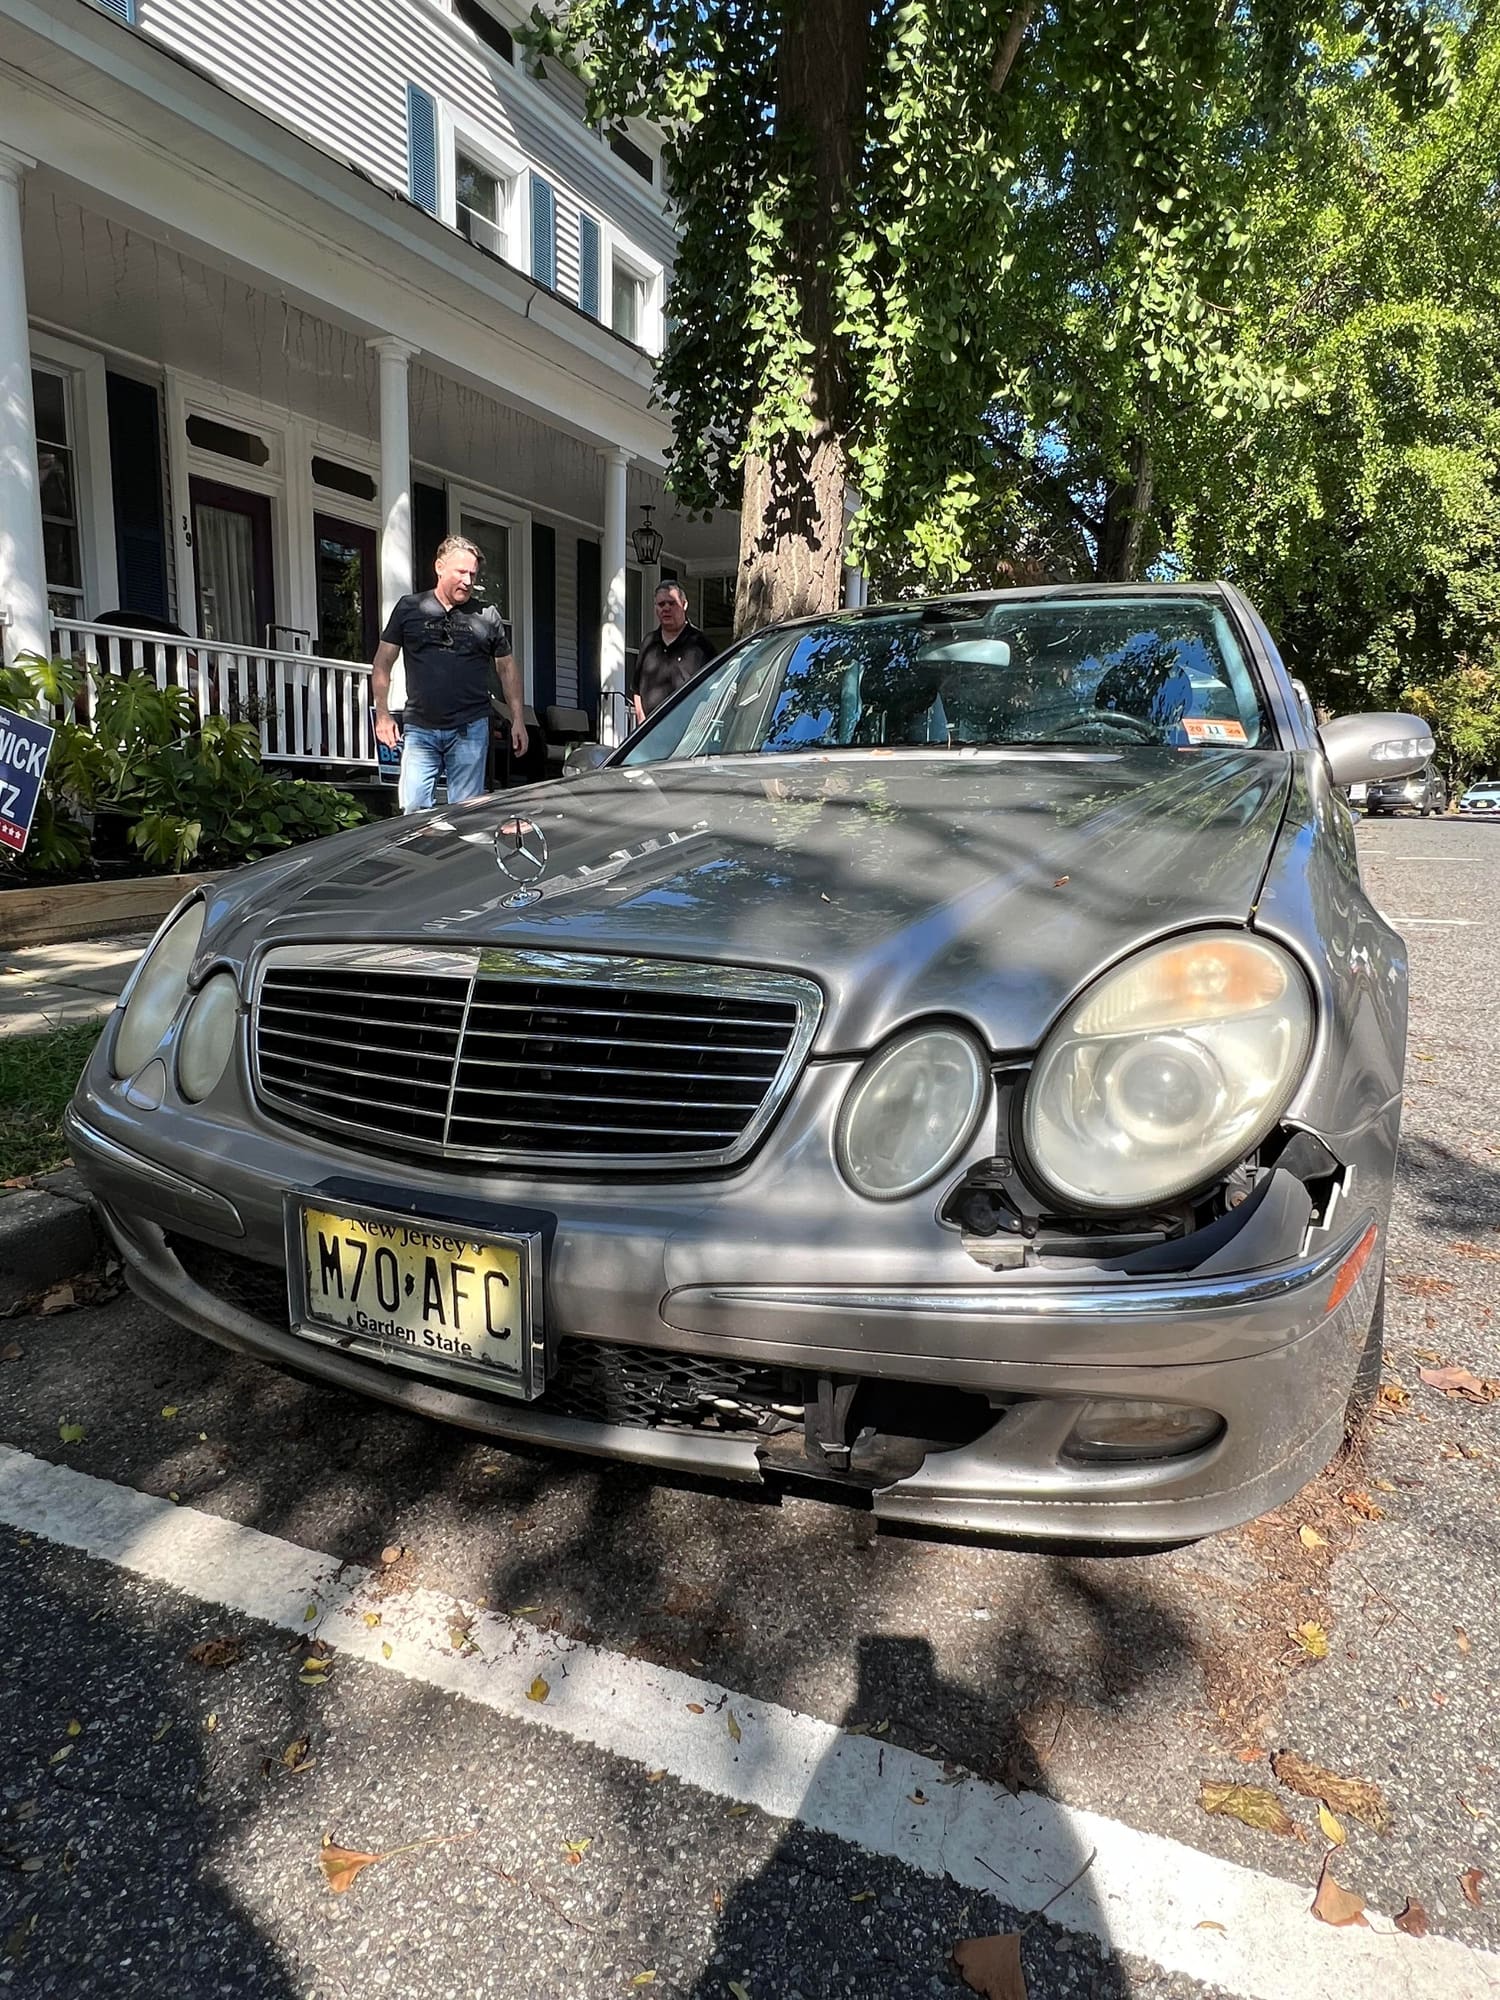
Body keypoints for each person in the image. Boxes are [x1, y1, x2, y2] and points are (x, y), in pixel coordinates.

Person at [371, 537, 528, 812]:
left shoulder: (487, 616)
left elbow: (507, 669)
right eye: (461, 572)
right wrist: (382, 714)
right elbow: (383, 661)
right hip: (421, 727)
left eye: (473, 574)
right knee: (414, 810)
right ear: (440, 567)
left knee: (465, 814)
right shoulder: (410, 608)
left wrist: (518, 719)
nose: (468, 581)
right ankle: (419, 856)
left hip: (470, 728)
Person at [631, 581, 715, 724]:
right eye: (661, 604)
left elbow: (714, 690)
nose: (666, 608)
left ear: (684, 604)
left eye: (672, 603)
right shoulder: (649, 642)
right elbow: (636, 689)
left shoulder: (700, 644)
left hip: (688, 733)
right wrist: (642, 721)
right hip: (651, 732)